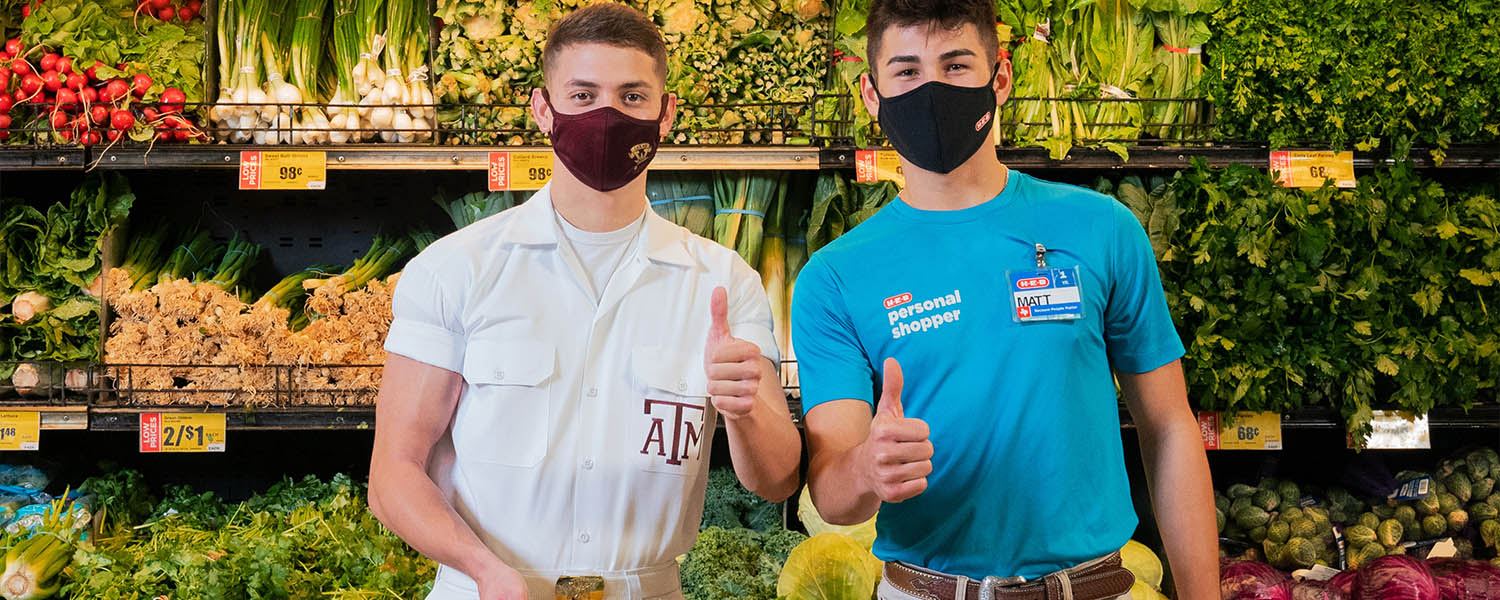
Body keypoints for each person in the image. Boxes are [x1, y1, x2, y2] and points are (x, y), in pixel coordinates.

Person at [367, 5, 801, 599]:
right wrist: (485, 570)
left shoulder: (723, 283)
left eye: (631, 97)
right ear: (543, 109)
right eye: (582, 94)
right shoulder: (455, 269)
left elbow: (777, 480)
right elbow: (393, 473)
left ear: (665, 114)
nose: (606, 116)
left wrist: (746, 408)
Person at [790, 0, 1219, 598]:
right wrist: (867, 466)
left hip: (1093, 585)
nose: (932, 89)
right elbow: (832, 496)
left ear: (1002, 78)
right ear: (871, 93)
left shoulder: (1102, 229)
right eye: (907, 71)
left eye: (957, 65)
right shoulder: (833, 277)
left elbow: (1170, 429)